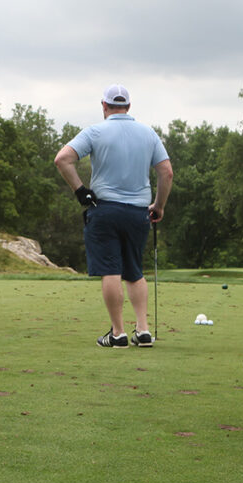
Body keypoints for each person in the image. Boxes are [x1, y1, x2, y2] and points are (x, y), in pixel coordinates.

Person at [54, 85, 173, 348]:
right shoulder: (148, 133)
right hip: (138, 212)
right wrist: (159, 206)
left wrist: (80, 191)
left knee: (110, 269)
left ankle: (118, 333)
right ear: (129, 107)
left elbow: (62, 159)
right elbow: (166, 173)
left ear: (104, 106)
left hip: (105, 209)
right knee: (134, 271)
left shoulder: (95, 131)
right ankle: (143, 331)